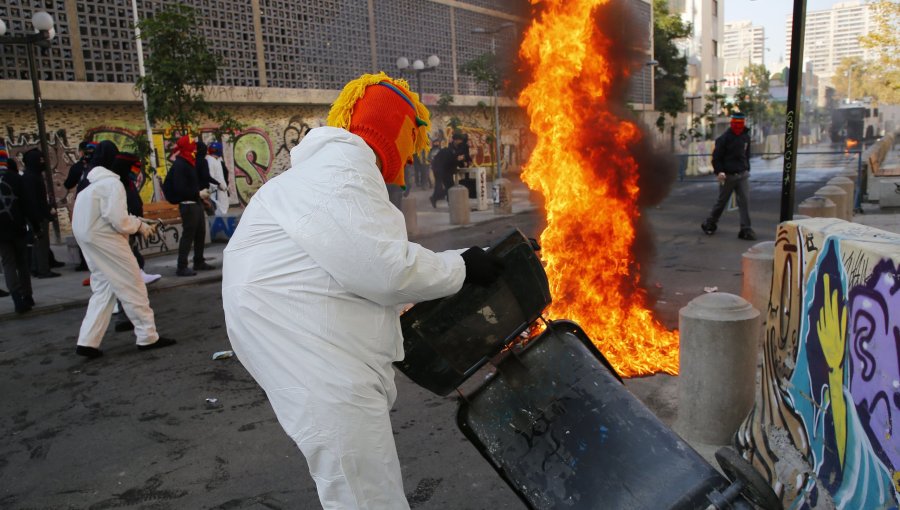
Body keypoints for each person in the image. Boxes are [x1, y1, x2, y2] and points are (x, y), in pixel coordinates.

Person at [222, 72, 503, 509]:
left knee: (358, 481)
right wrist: (462, 267)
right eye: (413, 142)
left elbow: (363, 261)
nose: (412, 159)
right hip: (313, 354)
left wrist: (467, 257)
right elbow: (386, 271)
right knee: (364, 492)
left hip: (302, 340)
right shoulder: (343, 170)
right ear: (396, 132)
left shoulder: (328, 173)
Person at [71, 141, 175, 358]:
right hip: (107, 240)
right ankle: (148, 337)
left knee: (103, 289)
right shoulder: (112, 184)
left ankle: (88, 341)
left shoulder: (89, 185)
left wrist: (137, 223)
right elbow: (119, 220)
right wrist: (139, 226)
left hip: (89, 239)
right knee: (133, 284)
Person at [701, 113, 756, 241]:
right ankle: (710, 222)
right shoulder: (724, 139)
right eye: (736, 124)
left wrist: (746, 167)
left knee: (744, 202)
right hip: (728, 176)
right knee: (722, 202)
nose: (739, 126)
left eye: (741, 123)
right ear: (732, 124)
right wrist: (719, 171)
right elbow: (716, 158)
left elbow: (747, 154)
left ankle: (746, 228)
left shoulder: (745, 137)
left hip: (742, 175)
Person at [169, 135, 213, 276]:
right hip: (188, 205)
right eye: (192, 145)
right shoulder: (180, 164)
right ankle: (182, 266)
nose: (195, 148)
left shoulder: (188, 162)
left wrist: (200, 197)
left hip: (196, 203)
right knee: (188, 234)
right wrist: (198, 193)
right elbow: (181, 188)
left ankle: (198, 261)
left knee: (200, 233)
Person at [0, 142, 36, 313]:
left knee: (8, 263)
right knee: (22, 263)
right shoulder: (15, 178)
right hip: (17, 225)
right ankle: (27, 296)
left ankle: (16, 298)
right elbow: (27, 203)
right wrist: (34, 226)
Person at [21, 148, 60, 278]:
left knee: (37, 243)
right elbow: (35, 200)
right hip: (37, 216)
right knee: (41, 244)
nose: (43, 162)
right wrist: (46, 214)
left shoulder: (30, 175)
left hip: (35, 215)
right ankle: (43, 270)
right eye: (40, 160)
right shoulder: (32, 177)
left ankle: (36, 268)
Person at [65, 141, 97, 271]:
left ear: (81, 152)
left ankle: (85, 262)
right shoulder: (101, 165)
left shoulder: (78, 167)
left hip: (83, 203)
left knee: (82, 230)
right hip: (98, 202)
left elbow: (68, 184)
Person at [429, 132, 466, 208]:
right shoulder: (451, 148)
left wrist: (461, 162)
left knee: (448, 187)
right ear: (456, 140)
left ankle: (436, 198)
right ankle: (448, 202)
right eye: (460, 140)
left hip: (445, 169)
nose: (461, 142)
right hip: (440, 168)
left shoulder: (457, 148)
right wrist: (458, 160)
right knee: (448, 187)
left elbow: (456, 159)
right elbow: (451, 160)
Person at [205, 141, 230, 216]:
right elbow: (211, 177)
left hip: (221, 190)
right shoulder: (210, 160)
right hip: (216, 191)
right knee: (218, 212)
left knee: (223, 209)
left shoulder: (218, 160)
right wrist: (216, 186)